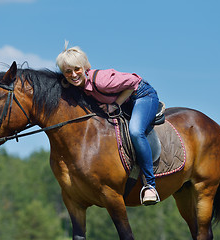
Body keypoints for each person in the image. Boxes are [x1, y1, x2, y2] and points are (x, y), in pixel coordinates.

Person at [56, 43, 160, 205]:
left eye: (77, 69)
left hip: (141, 95)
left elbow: (134, 82)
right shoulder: (76, 84)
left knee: (135, 131)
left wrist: (115, 104)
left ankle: (150, 186)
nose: (73, 74)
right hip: (124, 101)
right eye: (68, 72)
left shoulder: (102, 80)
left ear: (84, 67)